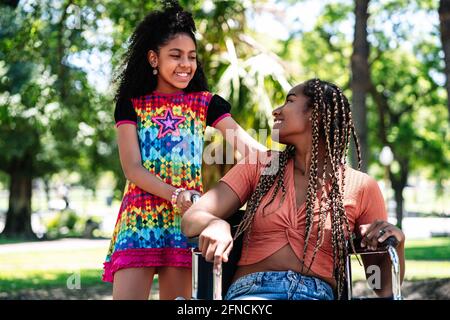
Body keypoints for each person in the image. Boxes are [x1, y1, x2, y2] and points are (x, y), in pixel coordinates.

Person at [182, 78, 406, 300]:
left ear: (316, 113)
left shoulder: (361, 186)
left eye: (289, 101)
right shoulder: (261, 165)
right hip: (253, 293)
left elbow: (381, 287)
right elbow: (191, 218)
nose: (276, 111)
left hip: (317, 294)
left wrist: (398, 243)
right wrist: (215, 222)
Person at [102, 1, 266, 300]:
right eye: (175, 55)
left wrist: (285, 157)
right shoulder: (131, 105)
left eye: (191, 57)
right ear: (154, 58)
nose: (186, 64)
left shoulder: (206, 103)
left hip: (187, 221)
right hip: (139, 219)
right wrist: (177, 195)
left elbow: (248, 146)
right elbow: (132, 169)